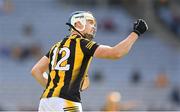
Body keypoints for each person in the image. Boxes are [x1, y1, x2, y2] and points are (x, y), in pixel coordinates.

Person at [31, 11, 148, 111]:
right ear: (77, 23)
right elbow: (116, 53)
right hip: (67, 103)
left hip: (45, 102)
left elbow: (36, 71)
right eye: (90, 22)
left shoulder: (55, 46)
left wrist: (55, 88)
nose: (93, 27)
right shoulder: (82, 43)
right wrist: (136, 33)